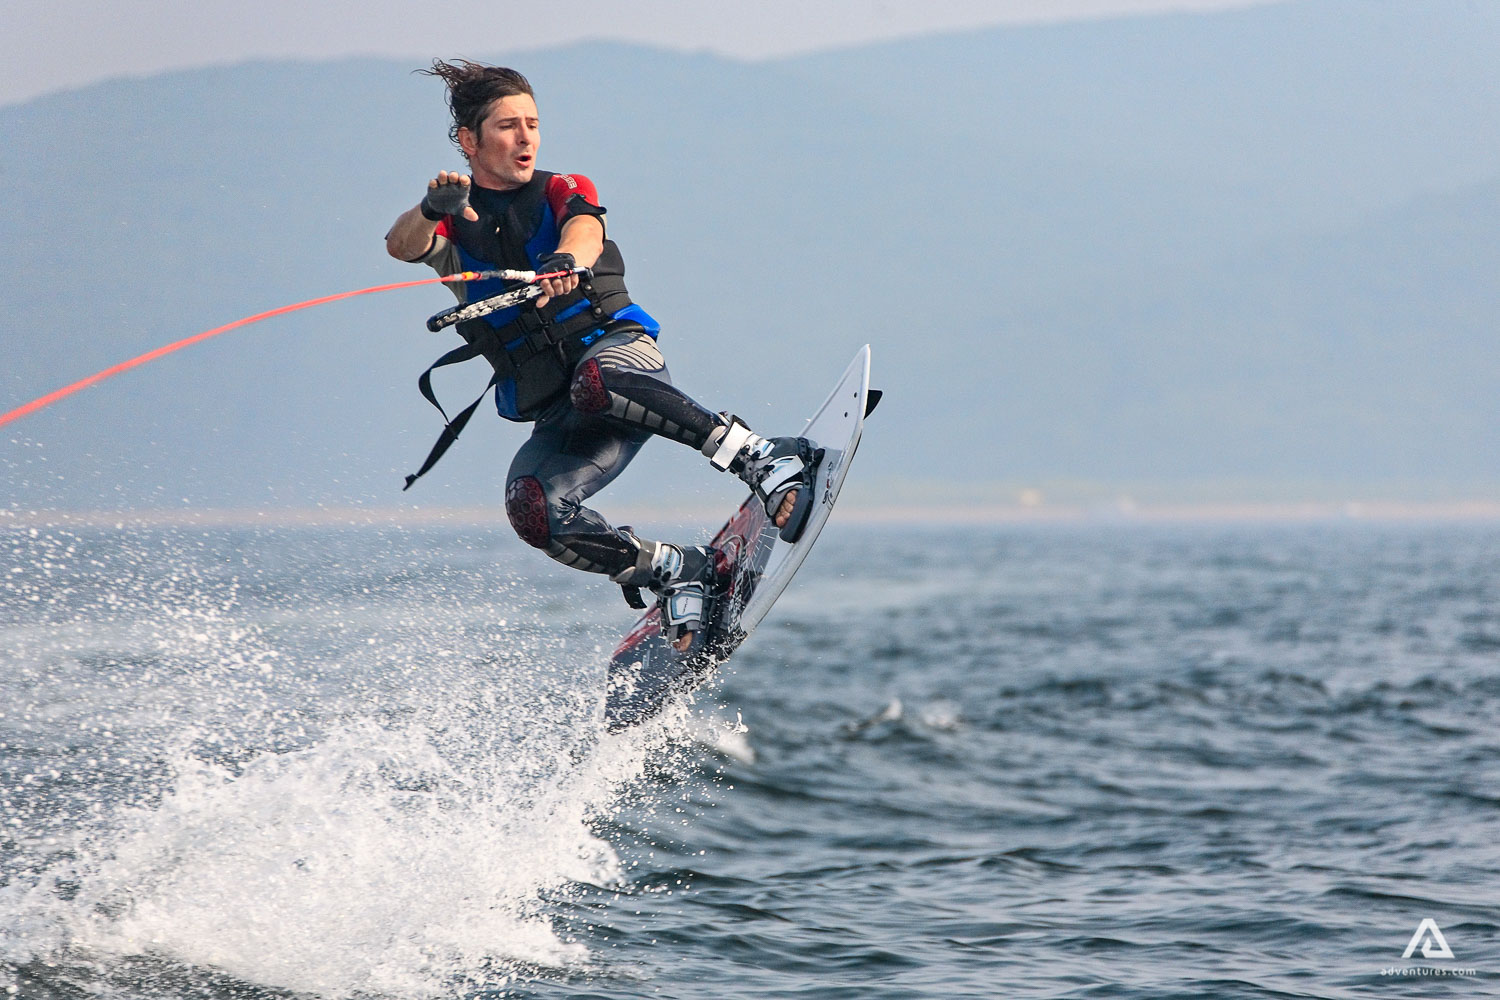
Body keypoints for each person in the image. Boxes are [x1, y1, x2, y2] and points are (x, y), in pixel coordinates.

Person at [386, 60, 819, 651]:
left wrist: (566, 262)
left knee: (596, 379)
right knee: (533, 506)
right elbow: (401, 245)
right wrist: (431, 208)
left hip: (622, 364)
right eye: (508, 126)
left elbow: (585, 230)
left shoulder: (563, 190)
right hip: (569, 414)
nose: (526, 139)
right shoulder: (451, 235)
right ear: (469, 140)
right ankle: (678, 571)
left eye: (532, 125)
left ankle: (762, 457)